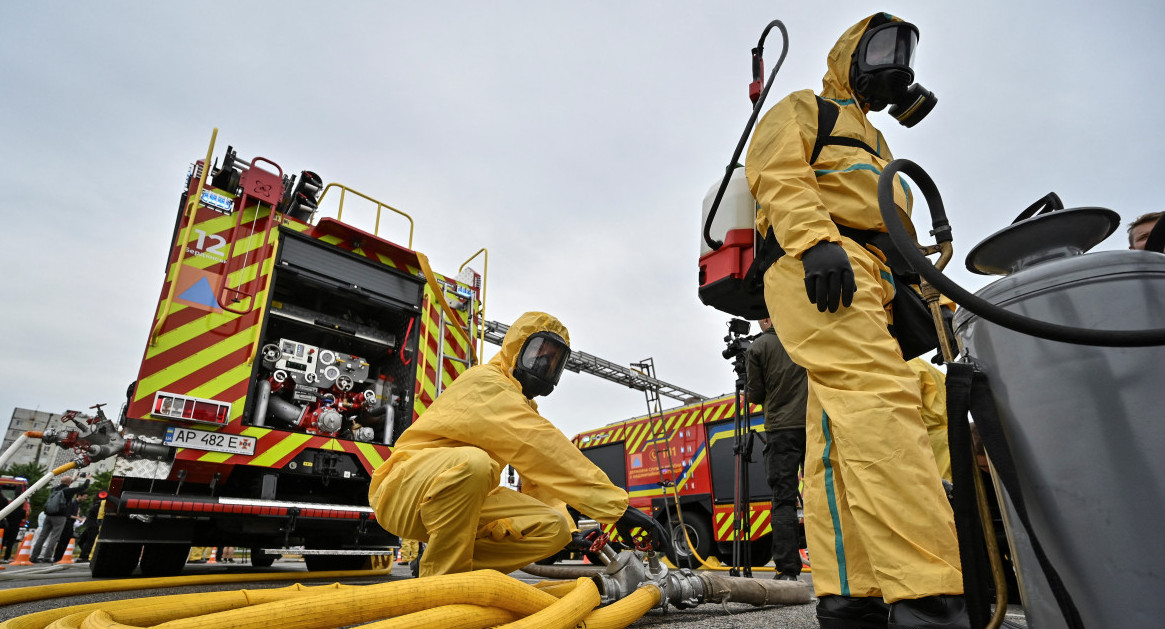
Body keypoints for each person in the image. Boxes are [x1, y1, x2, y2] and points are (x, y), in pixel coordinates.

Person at [745, 13, 967, 629]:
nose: (896, 61)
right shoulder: (805, 111)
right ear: (850, 57)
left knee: (839, 439)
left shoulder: (882, 147)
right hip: (819, 268)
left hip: (875, 281)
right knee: (883, 401)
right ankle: (931, 597)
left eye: (906, 52)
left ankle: (852, 598)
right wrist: (816, 241)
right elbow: (776, 172)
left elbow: (902, 238)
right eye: (883, 48)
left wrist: (942, 308)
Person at [368, 311, 670, 577]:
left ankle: (450, 570)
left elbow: (539, 479)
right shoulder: (487, 383)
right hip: (403, 489)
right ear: (516, 349)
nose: (545, 364)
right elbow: (540, 447)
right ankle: (441, 587)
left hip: (458, 499)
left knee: (553, 528)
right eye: (540, 352)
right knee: (475, 463)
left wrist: (571, 531)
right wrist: (617, 509)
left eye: (554, 361)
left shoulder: (521, 407)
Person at [746, 317, 808, 581]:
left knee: (784, 499)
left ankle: (787, 570)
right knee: (828, 494)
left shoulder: (758, 348)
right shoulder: (807, 336)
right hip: (815, 424)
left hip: (781, 429)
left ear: (767, 319)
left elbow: (755, 395)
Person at [31, 474, 89, 563]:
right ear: (69, 483)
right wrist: (88, 479)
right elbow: (83, 487)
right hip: (60, 516)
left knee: (42, 536)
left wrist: (73, 480)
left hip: (48, 515)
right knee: (54, 537)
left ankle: (34, 556)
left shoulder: (54, 489)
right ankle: (47, 557)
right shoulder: (68, 492)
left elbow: (64, 485)